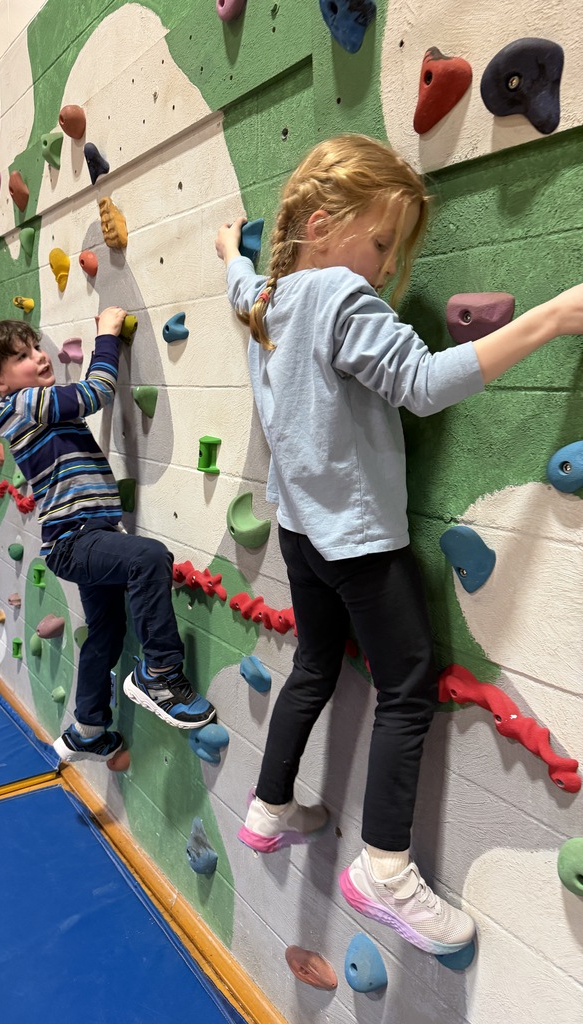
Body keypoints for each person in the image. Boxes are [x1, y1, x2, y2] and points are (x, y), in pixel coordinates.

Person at [215, 133, 583, 956]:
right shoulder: (342, 301)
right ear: (319, 222)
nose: (385, 269)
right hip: (354, 540)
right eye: (381, 243)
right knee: (409, 684)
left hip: (300, 532)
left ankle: (269, 808)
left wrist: (222, 249)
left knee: (314, 663)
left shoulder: (263, 297)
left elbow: (234, 278)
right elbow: (420, 385)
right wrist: (553, 317)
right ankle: (385, 867)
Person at [0, 312, 216, 764]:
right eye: (21, 356)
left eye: (36, 348)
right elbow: (95, 393)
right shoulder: (25, 403)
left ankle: (89, 728)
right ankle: (159, 672)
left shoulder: (28, 406)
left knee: (107, 629)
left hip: (86, 536)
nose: (39, 357)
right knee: (148, 557)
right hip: (75, 540)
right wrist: (106, 339)